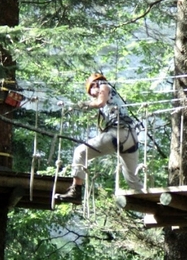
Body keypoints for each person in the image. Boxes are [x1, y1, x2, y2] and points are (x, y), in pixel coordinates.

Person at [55, 73, 144, 204]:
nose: (92, 95)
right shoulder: (112, 96)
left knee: (80, 152)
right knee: (132, 179)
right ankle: (152, 203)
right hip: (131, 137)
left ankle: (76, 191)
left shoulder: (104, 86)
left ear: (95, 84)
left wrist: (86, 104)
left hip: (118, 133)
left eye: (92, 93)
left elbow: (100, 103)